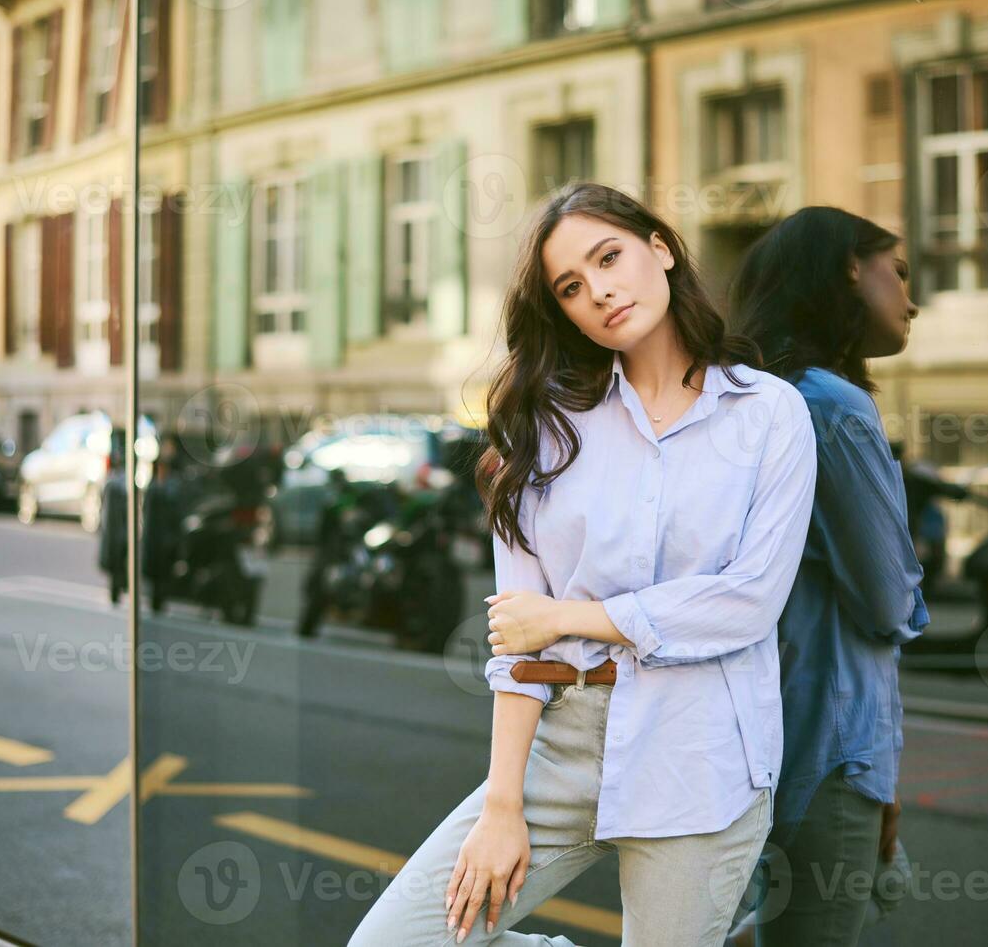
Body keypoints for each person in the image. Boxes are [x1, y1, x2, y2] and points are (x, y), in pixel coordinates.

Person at [348, 182, 817, 946]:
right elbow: (518, 643)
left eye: (610, 257)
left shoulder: (767, 412)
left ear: (659, 248)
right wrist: (503, 804)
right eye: (571, 286)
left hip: (700, 753)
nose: (599, 291)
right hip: (563, 747)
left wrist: (572, 617)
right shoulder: (545, 431)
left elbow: (749, 600)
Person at [727, 206, 929, 945]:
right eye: (898, 272)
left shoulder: (749, 397)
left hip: (760, 744)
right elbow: (885, 598)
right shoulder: (831, 407)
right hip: (832, 746)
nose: (911, 298)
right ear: (850, 267)